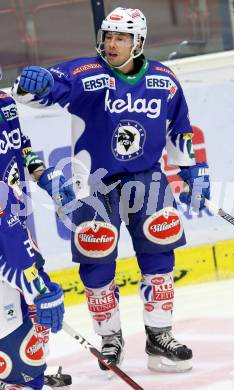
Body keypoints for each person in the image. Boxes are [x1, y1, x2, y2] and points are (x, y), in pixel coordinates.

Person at [12, 7, 210, 373]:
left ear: (139, 42)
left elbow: (178, 128)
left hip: (147, 177)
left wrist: (194, 168)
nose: (112, 43)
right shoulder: (85, 74)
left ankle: (159, 337)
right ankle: (110, 338)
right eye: (108, 35)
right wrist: (32, 83)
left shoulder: (164, 80)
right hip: (92, 181)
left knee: (159, 254)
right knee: (96, 256)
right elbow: (34, 94)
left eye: (121, 37)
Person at [0, 70, 74, 388]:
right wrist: (38, 285)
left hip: (15, 219)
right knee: (22, 367)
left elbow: (19, 145)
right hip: (7, 230)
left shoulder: (4, 103)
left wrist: (41, 173)